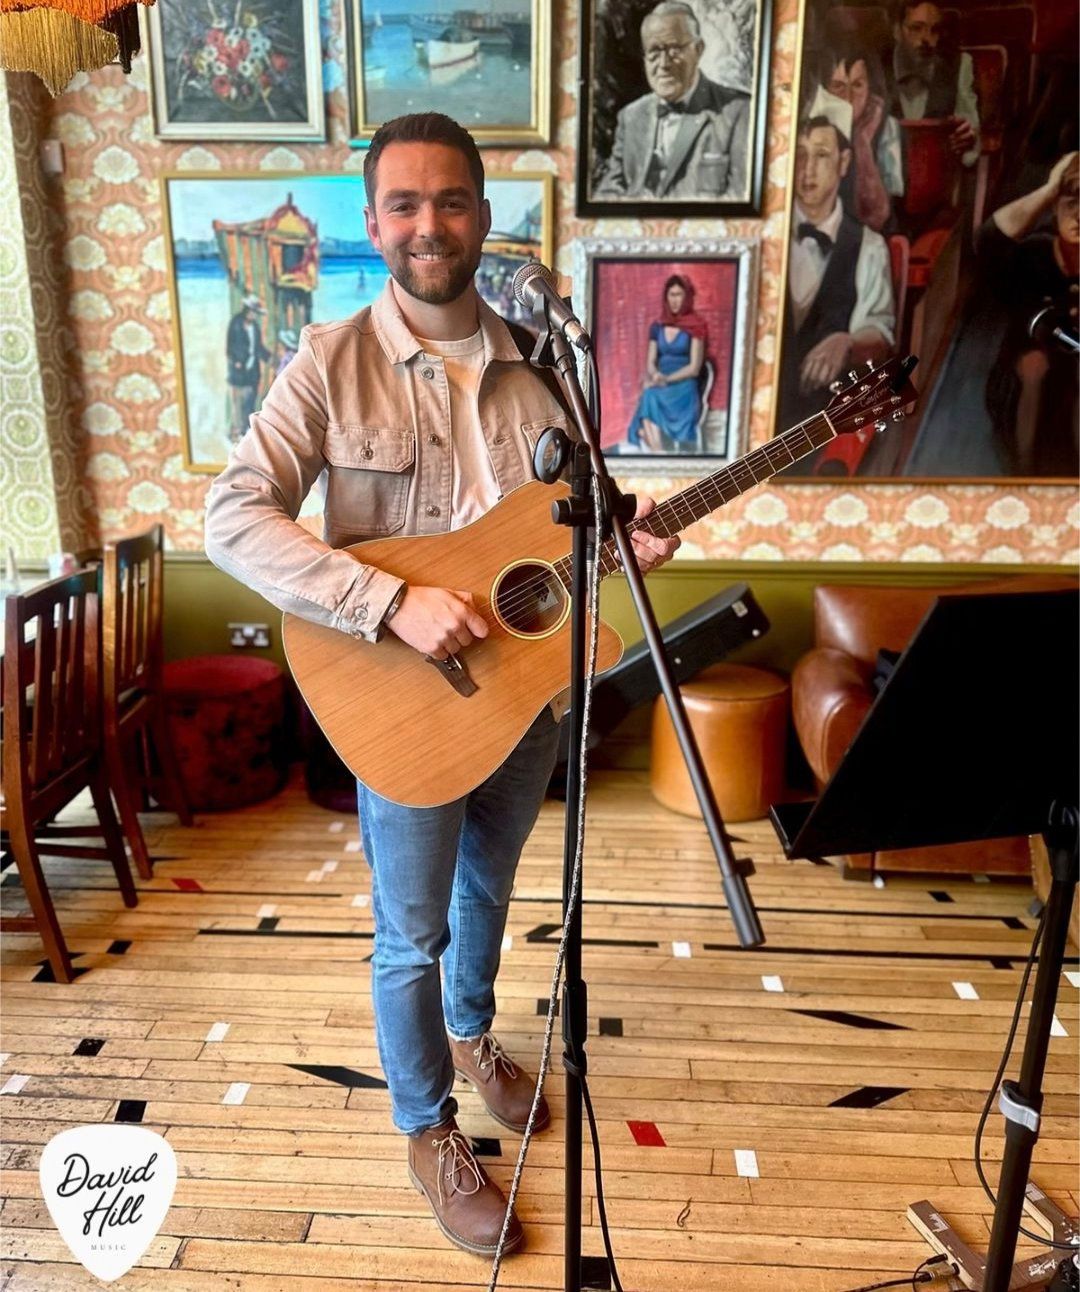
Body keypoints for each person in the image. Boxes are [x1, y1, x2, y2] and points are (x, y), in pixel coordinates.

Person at [203, 112, 679, 1257]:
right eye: (404, 205)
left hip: (522, 689)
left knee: (488, 895)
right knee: (407, 932)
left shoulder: (543, 365)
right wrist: (386, 600)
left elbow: (557, 536)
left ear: (483, 215)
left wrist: (623, 544)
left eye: (451, 201)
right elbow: (231, 517)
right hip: (402, 701)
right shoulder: (328, 361)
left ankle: (474, 1030)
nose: (429, 224)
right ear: (374, 223)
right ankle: (428, 1126)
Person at [777, 104, 896, 455]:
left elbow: (881, 336)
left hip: (827, 422)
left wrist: (847, 340)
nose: (807, 169)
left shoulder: (870, 246)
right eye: (799, 155)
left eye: (821, 155)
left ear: (844, 163)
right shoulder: (769, 239)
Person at [978, 152, 1079, 476]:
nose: (1079, 217)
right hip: (1023, 386)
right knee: (1034, 364)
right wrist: (1050, 188)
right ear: (1054, 206)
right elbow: (989, 238)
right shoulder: (1034, 254)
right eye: (1070, 205)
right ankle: (1023, 469)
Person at [595, 0, 748, 201]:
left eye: (674, 49)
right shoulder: (631, 116)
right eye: (654, 52)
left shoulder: (738, 112)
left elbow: (740, 197)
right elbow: (608, 194)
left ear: (698, 49)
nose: (663, 64)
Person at [620, 274, 708, 453]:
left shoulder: (696, 326)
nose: (675, 300)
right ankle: (658, 452)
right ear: (666, 297)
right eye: (671, 295)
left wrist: (666, 379)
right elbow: (651, 361)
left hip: (683, 385)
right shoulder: (657, 326)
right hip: (661, 380)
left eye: (679, 295)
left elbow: (694, 368)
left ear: (686, 297)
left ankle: (656, 450)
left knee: (650, 397)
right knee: (650, 394)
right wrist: (655, 375)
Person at [819, 46, 903, 232]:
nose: (848, 97)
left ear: (870, 88)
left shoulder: (887, 127)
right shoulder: (816, 127)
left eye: (857, 85)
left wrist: (862, 141)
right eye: (838, 86)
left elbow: (879, 217)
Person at [889, 0, 979, 166]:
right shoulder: (874, 68)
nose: (927, 39)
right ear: (897, 31)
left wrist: (968, 140)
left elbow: (970, 142)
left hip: (937, 174)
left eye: (935, 30)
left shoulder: (959, 65)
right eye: (916, 28)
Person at [225, 293, 271, 444]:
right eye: (252, 312)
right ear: (246, 310)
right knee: (238, 402)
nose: (254, 315)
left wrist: (268, 357)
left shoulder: (255, 327)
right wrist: (237, 361)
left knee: (250, 402)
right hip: (239, 372)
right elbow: (230, 346)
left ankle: (246, 431)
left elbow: (257, 347)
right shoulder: (236, 323)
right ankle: (236, 432)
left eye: (255, 313)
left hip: (252, 371)